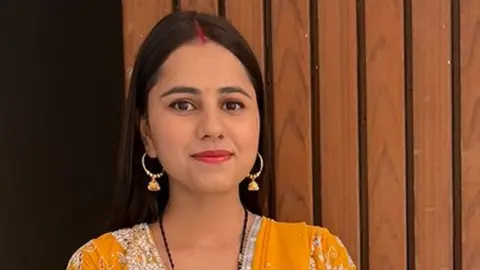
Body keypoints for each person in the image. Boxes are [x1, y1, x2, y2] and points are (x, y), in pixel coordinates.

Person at [66, 10, 356, 270]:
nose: (212, 127)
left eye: (232, 104)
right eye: (183, 105)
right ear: (148, 133)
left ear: (258, 124)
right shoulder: (100, 263)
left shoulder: (317, 258)